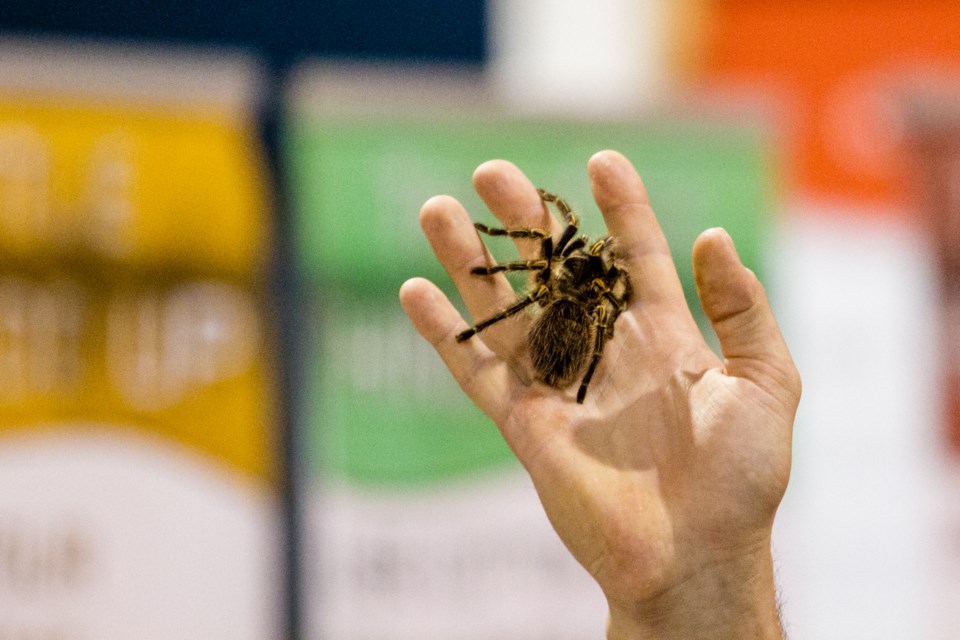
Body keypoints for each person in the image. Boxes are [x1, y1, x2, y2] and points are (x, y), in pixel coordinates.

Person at [398, 150, 801, 639]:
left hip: (563, 319)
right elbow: (599, 285)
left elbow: (568, 266)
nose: (580, 247)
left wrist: (498, 263)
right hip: (573, 330)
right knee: (529, 287)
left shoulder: (563, 282)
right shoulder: (600, 297)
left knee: (526, 297)